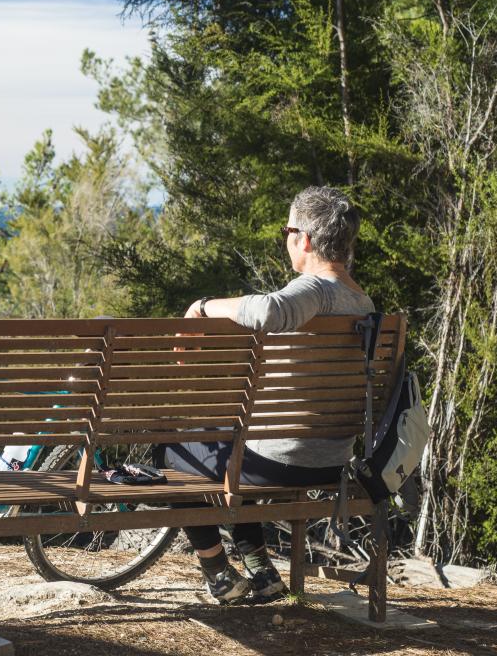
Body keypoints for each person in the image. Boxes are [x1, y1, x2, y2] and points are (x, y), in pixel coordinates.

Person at [161, 185, 375, 604]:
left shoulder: (317, 291)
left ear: (305, 239)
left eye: (288, 229)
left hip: (280, 462)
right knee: (229, 448)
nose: (287, 238)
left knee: (174, 451)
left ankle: (219, 573)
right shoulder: (362, 303)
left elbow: (269, 311)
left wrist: (203, 306)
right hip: (332, 461)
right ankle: (262, 572)